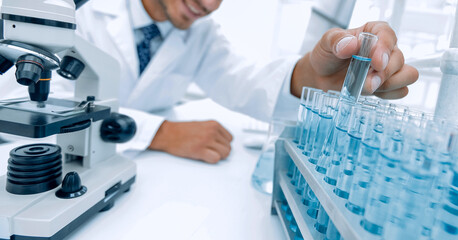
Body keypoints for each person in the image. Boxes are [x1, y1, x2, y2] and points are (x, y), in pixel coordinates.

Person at [1, 0, 419, 164]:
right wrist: (158, 132)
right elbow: (24, 100)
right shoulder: (80, 9)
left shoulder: (200, 34)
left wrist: (315, 75)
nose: (209, 4)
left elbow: (246, 80)